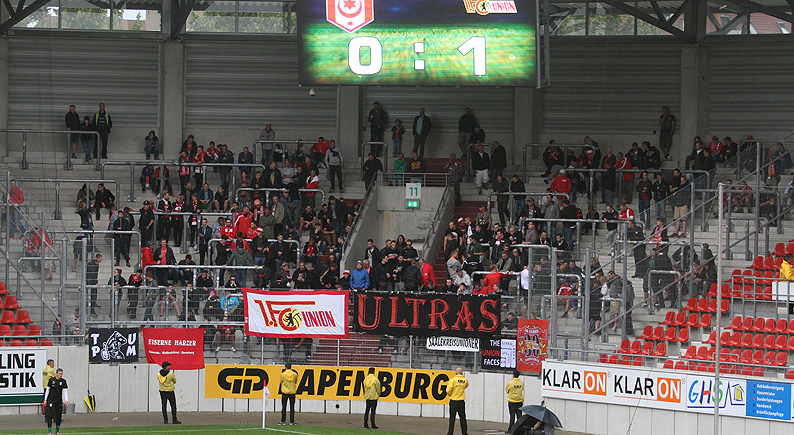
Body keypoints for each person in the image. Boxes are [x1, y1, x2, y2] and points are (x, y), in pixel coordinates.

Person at [43, 368, 68, 435]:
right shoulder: (52, 380)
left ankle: (57, 431)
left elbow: (65, 391)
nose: (61, 375)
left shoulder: (63, 381)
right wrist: (45, 399)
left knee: (58, 415)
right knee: (50, 415)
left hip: (59, 401)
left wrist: (66, 400)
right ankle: (49, 431)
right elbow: (48, 390)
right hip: (51, 400)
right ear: (56, 374)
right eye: (59, 374)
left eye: (61, 374)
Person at [446, 367, 469, 435]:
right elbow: (466, 385)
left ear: (456, 373)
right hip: (461, 401)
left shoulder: (453, 380)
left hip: (454, 401)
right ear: (462, 373)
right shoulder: (465, 380)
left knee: (452, 419)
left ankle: (450, 433)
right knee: (463, 418)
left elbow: (448, 390)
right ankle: (464, 433)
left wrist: (451, 395)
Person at [505, 370, 524, 434]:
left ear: (513, 375)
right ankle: (520, 429)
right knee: (519, 416)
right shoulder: (521, 383)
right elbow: (522, 389)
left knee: (512, 416)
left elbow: (507, 391)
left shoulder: (510, 383)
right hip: (519, 401)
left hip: (512, 401)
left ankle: (511, 429)